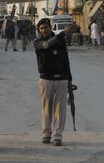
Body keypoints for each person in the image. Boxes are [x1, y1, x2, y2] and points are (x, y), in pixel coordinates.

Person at [34, 18, 74, 146]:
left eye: (46, 27)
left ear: (50, 28)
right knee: (47, 108)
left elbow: (66, 60)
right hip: (46, 79)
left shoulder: (61, 41)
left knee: (60, 109)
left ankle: (58, 136)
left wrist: (69, 79)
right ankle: (46, 133)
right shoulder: (38, 42)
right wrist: (64, 32)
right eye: (42, 28)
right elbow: (47, 45)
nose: (44, 30)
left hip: (61, 79)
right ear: (39, 31)